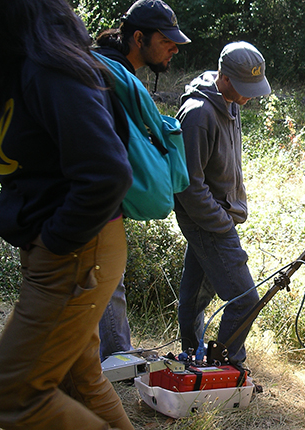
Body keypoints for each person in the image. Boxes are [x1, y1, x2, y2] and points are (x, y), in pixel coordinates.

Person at [0, 0, 134, 429]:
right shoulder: (19, 67)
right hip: (69, 250)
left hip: (76, 252)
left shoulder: (48, 68)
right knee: (79, 378)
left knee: (14, 392)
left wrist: (54, 245)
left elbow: (106, 173)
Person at [94, 0, 190, 362]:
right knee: (103, 276)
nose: (174, 48)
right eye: (167, 41)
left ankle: (114, 353)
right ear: (139, 37)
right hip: (92, 197)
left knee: (107, 277)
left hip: (102, 196)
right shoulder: (107, 75)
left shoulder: (115, 72)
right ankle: (114, 356)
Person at [174, 41, 270, 367]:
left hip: (218, 215)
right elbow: (187, 184)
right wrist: (221, 221)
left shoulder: (231, 103)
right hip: (208, 219)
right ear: (224, 76)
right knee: (245, 300)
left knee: (194, 297)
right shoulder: (198, 114)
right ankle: (228, 365)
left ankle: (191, 357)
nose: (250, 95)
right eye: (245, 87)